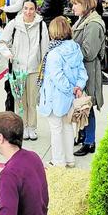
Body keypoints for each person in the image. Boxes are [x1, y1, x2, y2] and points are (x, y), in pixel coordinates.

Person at [38, 16, 87, 167]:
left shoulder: (53, 53)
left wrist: (69, 89)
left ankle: (58, 161)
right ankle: (69, 159)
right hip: (70, 97)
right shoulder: (75, 48)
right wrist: (78, 87)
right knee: (67, 127)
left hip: (55, 98)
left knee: (56, 129)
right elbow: (82, 71)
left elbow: (57, 77)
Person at [0, 0, 48, 141]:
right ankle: (23, 126)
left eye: (31, 9)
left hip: (33, 70)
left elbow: (45, 49)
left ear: (35, 10)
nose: (28, 12)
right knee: (20, 101)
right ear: (22, 9)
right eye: (25, 8)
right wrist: (8, 54)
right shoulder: (14, 24)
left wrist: (44, 69)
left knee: (32, 101)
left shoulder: (41, 25)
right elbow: (1, 42)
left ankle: (32, 127)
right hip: (18, 70)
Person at [70, 0, 105, 156]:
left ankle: (89, 142)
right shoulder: (85, 19)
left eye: (76, 3)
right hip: (83, 71)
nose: (73, 7)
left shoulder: (93, 24)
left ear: (85, 4)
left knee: (87, 106)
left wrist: (68, 50)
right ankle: (84, 135)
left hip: (89, 72)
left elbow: (89, 53)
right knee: (81, 104)